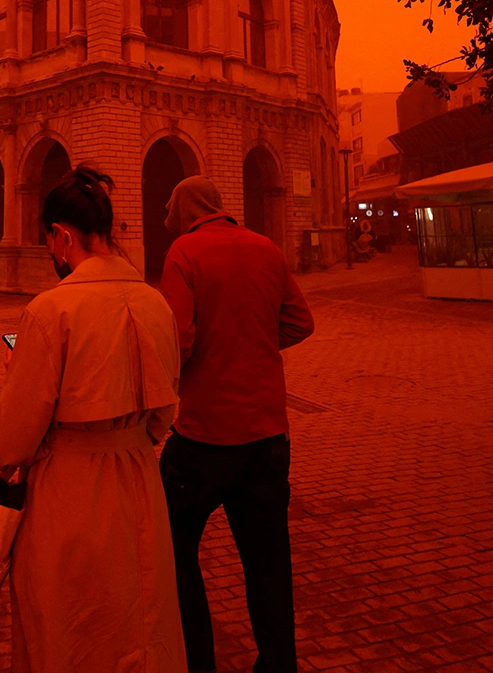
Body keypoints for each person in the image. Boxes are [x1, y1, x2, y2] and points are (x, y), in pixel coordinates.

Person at [0, 165, 188, 672]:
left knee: (71, 625)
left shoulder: (50, 310)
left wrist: (18, 372)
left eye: (49, 243)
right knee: (141, 614)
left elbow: (15, 440)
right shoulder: (155, 302)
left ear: (61, 237)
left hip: (71, 487)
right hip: (139, 477)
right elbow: (164, 412)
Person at [158, 175, 315, 673]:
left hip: (205, 435)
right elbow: (300, 321)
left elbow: (177, 341)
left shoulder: (183, 253)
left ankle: (197, 660)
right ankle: (277, 663)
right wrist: (253, 346)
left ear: (184, 211)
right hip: (269, 434)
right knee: (268, 561)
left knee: (173, 546)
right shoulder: (265, 248)